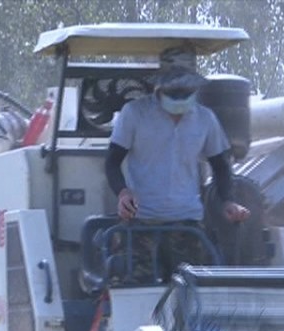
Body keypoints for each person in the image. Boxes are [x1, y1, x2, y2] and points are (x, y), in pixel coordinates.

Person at [105, 43, 250, 283]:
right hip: (142, 222)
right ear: (159, 87)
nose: (180, 99)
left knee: (192, 292)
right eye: (175, 92)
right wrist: (122, 193)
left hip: (187, 224)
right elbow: (112, 162)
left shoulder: (205, 119)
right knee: (138, 290)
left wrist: (228, 200)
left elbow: (221, 164)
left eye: (187, 92)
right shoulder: (134, 114)